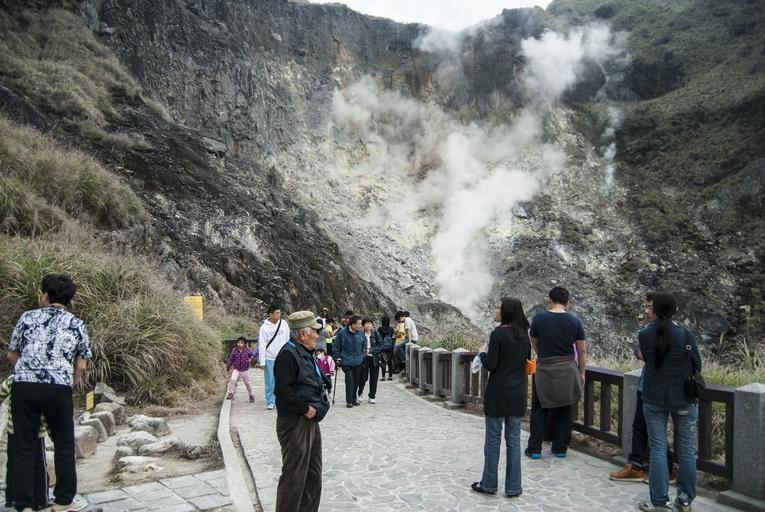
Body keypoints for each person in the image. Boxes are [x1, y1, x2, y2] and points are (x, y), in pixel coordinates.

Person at [7, 273, 92, 512]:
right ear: (69, 300)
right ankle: (63, 501)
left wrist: (29, 372)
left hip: (25, 386)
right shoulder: (76, 324)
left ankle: (25, 505)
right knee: (64, 445)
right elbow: (81, 365)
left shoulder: (27, 317)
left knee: (24, 446)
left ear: (45, 296)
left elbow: (12, 355)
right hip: (58, 387)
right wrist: (68, 383)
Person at [638, 293, 700, 512]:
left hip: (654, 397)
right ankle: (684, 501)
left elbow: (648, 359)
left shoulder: (645, 334)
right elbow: (697, 364)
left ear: (654, 309)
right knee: (686, 451)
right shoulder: (686, 334)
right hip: (683, 398)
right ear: (675, 310)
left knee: (658, 448)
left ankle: (659, 501)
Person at [610, 293, 675, 484]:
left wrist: (646, 354)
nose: (647, 311)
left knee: (657, 431)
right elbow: (639, 351)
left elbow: (648, 355)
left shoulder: (674, 331)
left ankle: (666, 471)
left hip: (661, 388)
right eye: (646, 307)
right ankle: (636, 465)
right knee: (639, 426)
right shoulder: (647, 330)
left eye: (650, 307)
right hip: (645, 385)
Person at [471, 298, 531, 498]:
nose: (496, 310)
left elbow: (491, 365)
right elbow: (526, 363)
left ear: (507, 312)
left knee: (493, 441)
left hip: (497, 395)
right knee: (514, 442)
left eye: (499, 307)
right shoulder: (524, 335)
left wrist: (482, 354)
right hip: (518, 394)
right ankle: (514, 487)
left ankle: (489, 484)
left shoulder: (497, 335)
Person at [273, 311, 331, 512]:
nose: (317, 335)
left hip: (309, 420)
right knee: (294, 476)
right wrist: (306, 409)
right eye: (314, 331)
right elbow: (282, 391)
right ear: (303, 334)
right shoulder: (288, 355)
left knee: (313, 473)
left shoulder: (304, 351)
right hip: (295, 421)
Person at [525, 286, 586, 459]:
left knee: (539, 408)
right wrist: (581, 372)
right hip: (567, 368)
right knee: (565, 407)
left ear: (549, 300)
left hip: (544, 368)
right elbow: (581, 350)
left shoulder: (539, 318)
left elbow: (533, 342)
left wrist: (543, 355)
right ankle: (560, 448)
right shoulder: (575, 321)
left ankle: (534, 449)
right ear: (567, 302)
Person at [0, 376, 50, 510]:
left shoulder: (13, 379)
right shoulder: (42, 378)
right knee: (39, 465)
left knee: (13, 463)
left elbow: (1, 393)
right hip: (36, 432)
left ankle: (11, 497)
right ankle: (41, 499)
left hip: (14, 430)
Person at [258, 305, 290, 410]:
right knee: (270, 380)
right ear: (270, 314)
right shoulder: (264, 328)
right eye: (276, 313)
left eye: (279, 313)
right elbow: (262, 344)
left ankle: (282, 400)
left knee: (284, 380)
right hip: (270, 357)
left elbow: (288, 339)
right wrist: (262, 361)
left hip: (283, 357)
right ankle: (271, 401)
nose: (279, 315)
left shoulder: (283, 323)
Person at [333, 315, 364, 408]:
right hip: (346, 361)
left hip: (358, 361)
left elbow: (363, 345)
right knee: (350, 381)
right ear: (352, 324)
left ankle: (354, 399)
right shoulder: (342, 333)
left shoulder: (361, 333)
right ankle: (349, 400)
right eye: (359, 324)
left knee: (356, 381)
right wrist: (337, 357)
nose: (360, 325)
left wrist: (362, 356)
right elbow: (336, 346)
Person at [357, 318, 384, 404]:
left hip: (374, 358)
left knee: (374, 378)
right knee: (363, 378)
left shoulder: (376, 334)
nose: (368, 325)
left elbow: (381, 345)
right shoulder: (360, 334)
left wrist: (371, 350)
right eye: (366, 323)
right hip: (364, 358)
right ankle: (360, 393)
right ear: (363, 325)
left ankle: (372, 396)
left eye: (370, 323)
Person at [226, 337, 256, 402]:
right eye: (238, 342)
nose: (239, 344)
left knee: (247, 383)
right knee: (232, 379)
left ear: (244, 344)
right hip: (236, 369)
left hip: (245, 369)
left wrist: (251, 359)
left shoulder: (248, 350)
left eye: (241, 343)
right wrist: (228, 366)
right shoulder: (234, 350)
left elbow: (253, 355)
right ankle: (230, 393)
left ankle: (251, 395)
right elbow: (231, 359)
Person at [377, 316, 395, 380]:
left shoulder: (380, 329)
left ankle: (383, 377)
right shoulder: (391, 329)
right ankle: (390, 376)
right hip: (390, 346)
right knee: (390, 362)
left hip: (382, 346)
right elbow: (393, 337)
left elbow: (378, 337)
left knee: (383, 361)